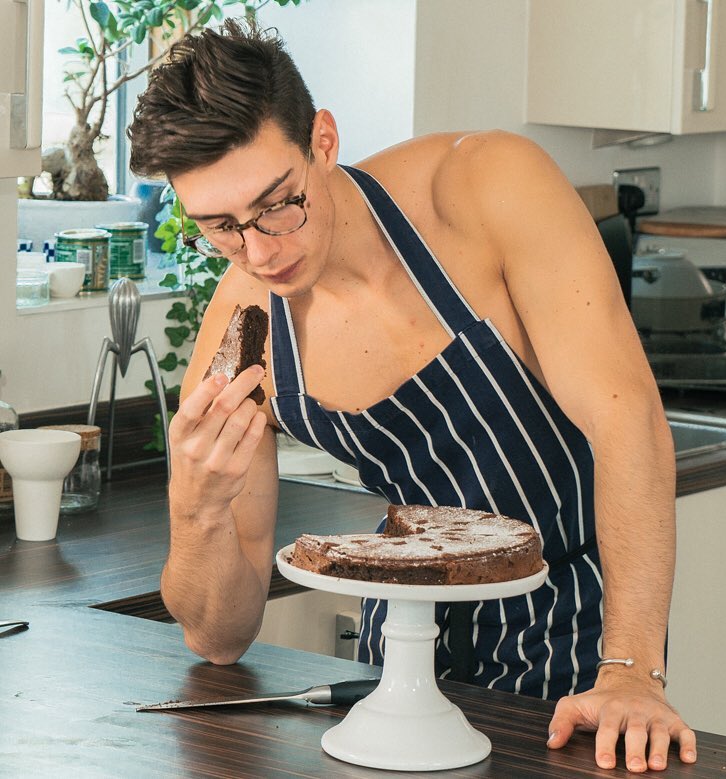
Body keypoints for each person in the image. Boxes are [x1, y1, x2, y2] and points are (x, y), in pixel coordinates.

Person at [128, 18, 696, 774]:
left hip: (580, 646)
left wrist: (631, 670)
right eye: (221, 228)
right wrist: (195, 509)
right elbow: (219, 636)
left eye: (278, 204)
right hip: (396, 661)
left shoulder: (486, 188)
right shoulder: (244, 326)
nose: (260, 250)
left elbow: (630, 424)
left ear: (322, 141)